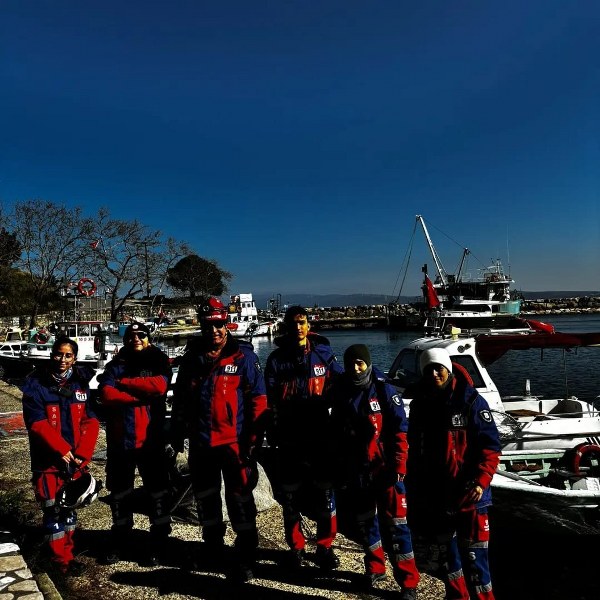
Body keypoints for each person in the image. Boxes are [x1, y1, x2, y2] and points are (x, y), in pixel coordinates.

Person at [170, 297, 268, 583]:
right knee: (206, 499)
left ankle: (247, 554)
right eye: (209, 325)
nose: (214, 331)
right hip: (201, 443)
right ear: (202, 326)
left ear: (227, 325)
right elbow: (181, 400)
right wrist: (177, 433)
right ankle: (212, 547)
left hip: (234, 444)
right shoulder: (191, 359)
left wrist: (252, 441)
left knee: (239, 499)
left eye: (219, 325)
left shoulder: (244, 357)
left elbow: (258, 401)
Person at [406, 348, 501, 600]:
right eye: (429, 369)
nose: (435, 373)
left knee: (475, 560)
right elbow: (414, 449)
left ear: (448, 368)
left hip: (470, 495)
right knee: (448, 559)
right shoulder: (420, 405)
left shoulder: (471, 402)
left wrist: (481, 482)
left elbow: (490, 448)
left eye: (439, 368)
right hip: (437, 495)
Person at [330, 344, 420, 600]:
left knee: (397, 525)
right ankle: (375, 568)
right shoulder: (341, 390)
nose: (355, 368)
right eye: (351, 364)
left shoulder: (383, 388)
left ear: (367, 363)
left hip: (385, 469)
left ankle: (408, 581)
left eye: (360, 363)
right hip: (358, 469)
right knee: (366, 522)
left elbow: (400, 430)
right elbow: (337, 430)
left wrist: (400, 466)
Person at [264, 305, 343, 570]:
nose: (298, 327)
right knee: (290, 497)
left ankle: (325, 546)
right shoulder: (276, 361)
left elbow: (343, 384)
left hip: (320, 435)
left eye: (303, 322)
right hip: (289, 437)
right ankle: (296, 547)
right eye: (293, 323)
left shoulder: (324, 354)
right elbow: (268, 401)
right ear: (286, 327)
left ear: (309, 325)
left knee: (325, 494)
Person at [22, 336, 100, 575]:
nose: (62, 360)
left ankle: (68, 554)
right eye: (58, 354)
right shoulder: (35, 385)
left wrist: (83, 454)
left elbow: (91, 420)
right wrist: (61, 449)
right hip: (47, 462)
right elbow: (36, 423)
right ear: (51, 354)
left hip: (76, 462)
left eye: (67, 355)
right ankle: (59, 562)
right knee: (52, 510)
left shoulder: (81, 384)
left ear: (74, 358)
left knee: (69, 509)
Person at [97, 322, 173, 566]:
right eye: (131, 336)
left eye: (141, 335)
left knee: (158, 493)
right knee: (120, 493)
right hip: (121, 441)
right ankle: (120, 540)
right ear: (125, 340)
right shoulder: (115, 364)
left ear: (148, 338)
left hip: (151, 440)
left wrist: (124, 384)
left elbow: (160, 387)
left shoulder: (158, 360)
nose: (136, 339)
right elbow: (107, 394)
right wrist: (141, 395)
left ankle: (159, 542)